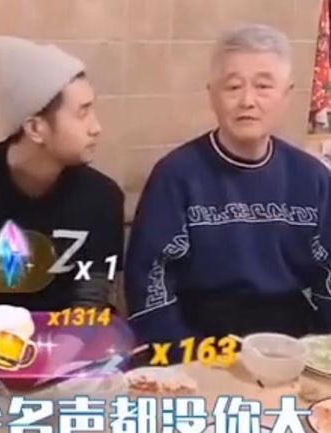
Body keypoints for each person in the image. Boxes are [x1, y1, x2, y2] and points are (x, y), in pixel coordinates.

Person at [125, 24, 331, 349]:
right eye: (233, 87)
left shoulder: (312, 177)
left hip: (290, 341)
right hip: (197, 340)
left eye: (263, 86)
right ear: (212, 94)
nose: (247, 101)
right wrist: (192, 354)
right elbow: (149, 285)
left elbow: (327, 276)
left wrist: (317, 350)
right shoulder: (176, 175)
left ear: (287, 94)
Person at [0, 37, 124, 312]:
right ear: (35, 128)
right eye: (82, 113)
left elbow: (92, 296)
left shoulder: (101, 197)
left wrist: (69, 336)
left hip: (69, 336)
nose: (96, 127)